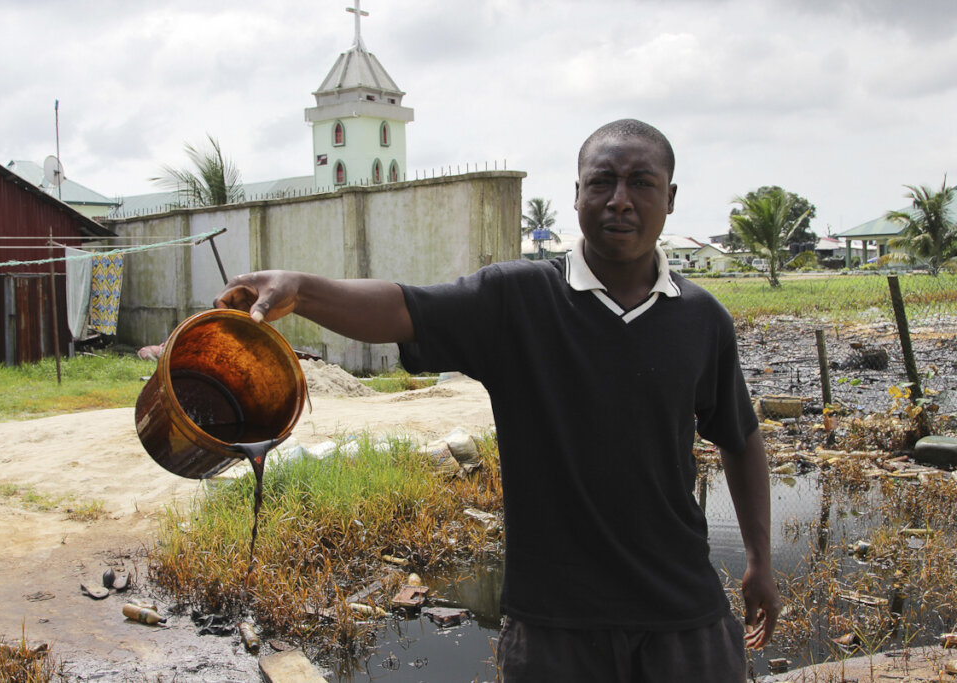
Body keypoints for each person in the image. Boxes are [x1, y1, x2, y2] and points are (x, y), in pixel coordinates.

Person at [215, 119, 780, 681]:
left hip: (683, 616)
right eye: (602, 182)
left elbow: (740, 437)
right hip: (555, 626)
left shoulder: (701, 318)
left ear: (671, 198)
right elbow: (403, 308)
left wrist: (760, 558)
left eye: (642, 183)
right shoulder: (517, 300)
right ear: (577, 194)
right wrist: (303, 289)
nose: (621, 201)